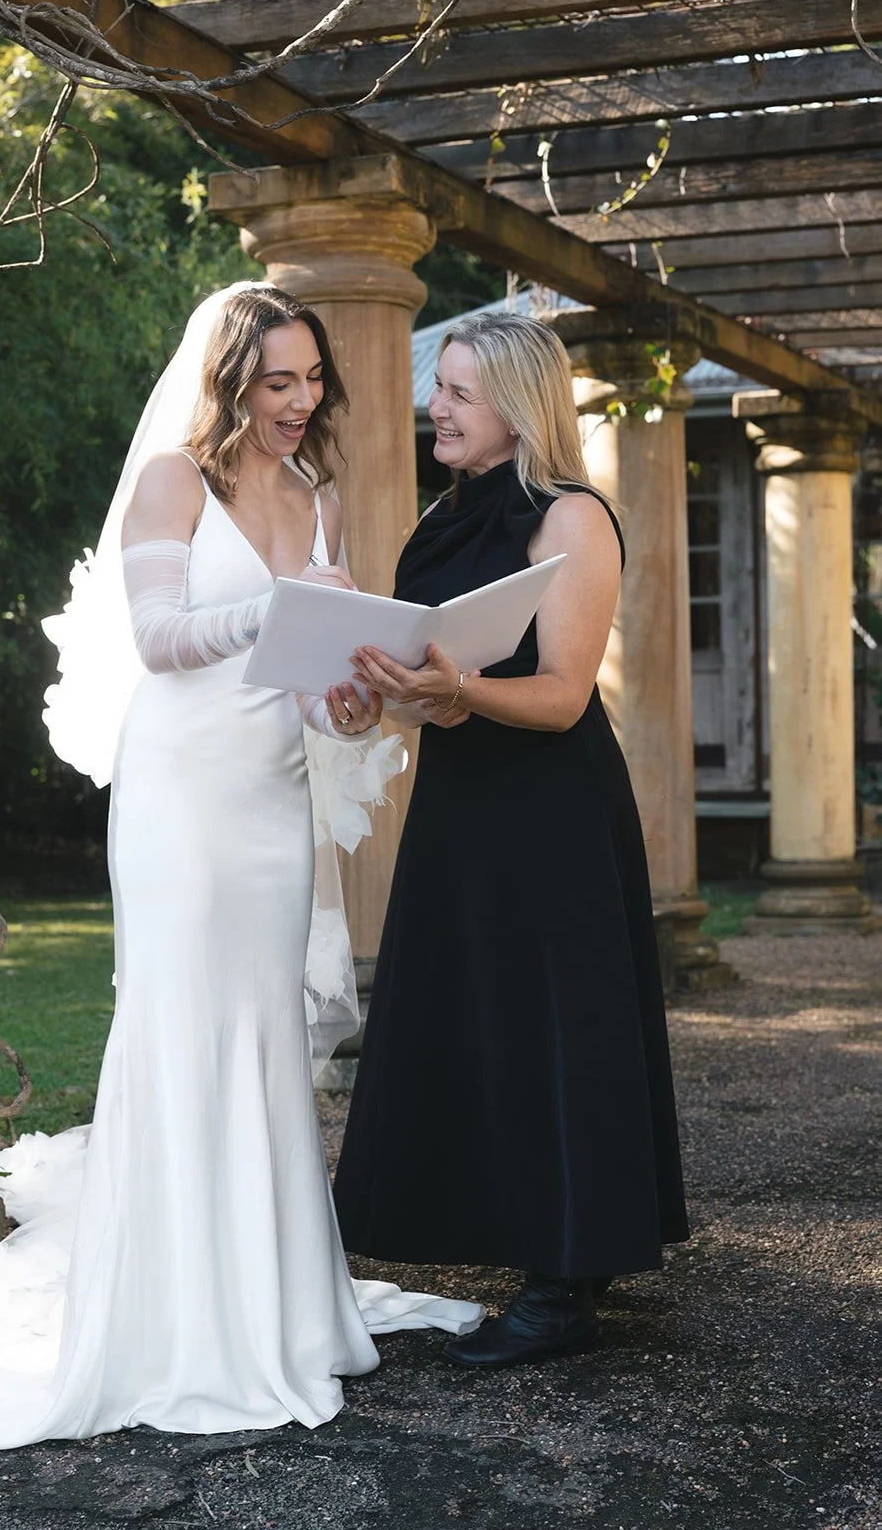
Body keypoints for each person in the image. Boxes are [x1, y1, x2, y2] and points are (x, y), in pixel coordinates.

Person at [0, 283, 479, 1447]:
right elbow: (160, 643)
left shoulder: (319, 496)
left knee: (259, 1029)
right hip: (177, 795)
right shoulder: (173, 483)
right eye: (277, 382)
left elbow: (315, 687)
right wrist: (282, 613)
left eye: (311, 379)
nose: (301, 402)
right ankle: (169, 1317)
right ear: (229, 386)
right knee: (176, 1021)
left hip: (268, 796)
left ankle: (271, 1304)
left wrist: (357, 689)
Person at [334, 311, 689, 1368]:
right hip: (462, 805)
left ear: (518, 410)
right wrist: (394, 694)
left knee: (555, 1027)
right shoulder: (442, 519)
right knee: (472, 1015)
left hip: (551, 810)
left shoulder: (572, 518)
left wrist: (456, 687)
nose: (432, 407)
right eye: (436, 387)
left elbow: (563, 694)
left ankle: (564, 1281)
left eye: (456, 394)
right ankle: (498, 1232)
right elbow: (440, 697)